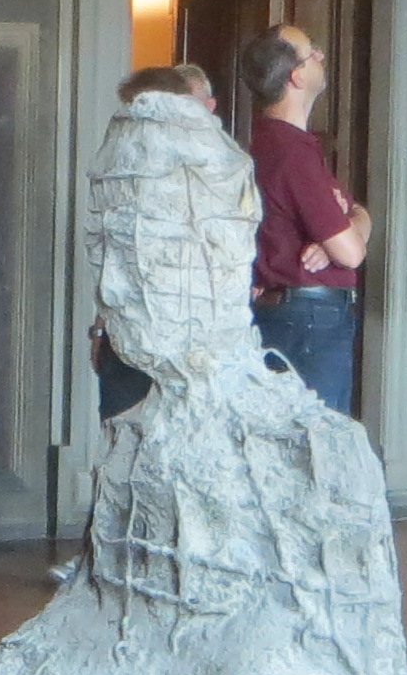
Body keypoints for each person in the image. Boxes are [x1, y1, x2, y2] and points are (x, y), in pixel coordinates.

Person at [240, 25, 370, 412]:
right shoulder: (291, 152)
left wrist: (346, 228)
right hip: (309, 318)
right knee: (318, 439)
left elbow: (359, 217)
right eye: (312, 51)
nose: (321, 55)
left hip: (292, 314)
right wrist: (345, 234)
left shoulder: (274, 142)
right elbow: (352, 253)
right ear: (296, 77)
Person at [93, 64, 216, 423]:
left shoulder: (218, 170)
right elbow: (111, 253)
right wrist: (101, 325)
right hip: (127, 336)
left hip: (189, 341)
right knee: (124, 438)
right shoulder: (122, 164)